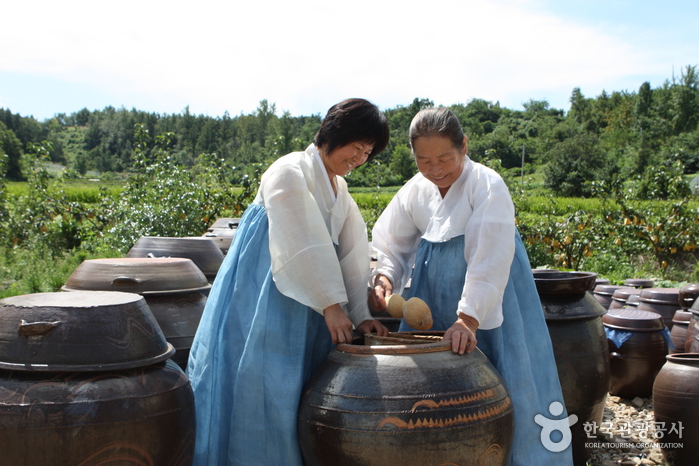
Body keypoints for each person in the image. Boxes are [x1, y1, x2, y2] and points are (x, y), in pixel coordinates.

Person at [187, 98, 390, 465]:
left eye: (367, 152)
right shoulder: (289, 169)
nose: (359, 158)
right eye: (356, 147)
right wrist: (330, 305)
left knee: (295, 390)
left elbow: (353, 255)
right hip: (266, 290)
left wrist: (359, 314)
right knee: (259, 380)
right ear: (333, 134)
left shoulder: (338, 190)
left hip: (310, 296)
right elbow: (301, 240)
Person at [369, 107, 573, 465]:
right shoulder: (417, 190)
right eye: (423, 160)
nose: (434, 169)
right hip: (432, 300)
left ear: (464, 145)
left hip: (490, 300)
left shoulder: (487, 184)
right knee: (428, 395)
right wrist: (385, 276)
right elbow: (391, 241)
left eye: (444, 158)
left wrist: (469, 319)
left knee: (506, 378)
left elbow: (489, 257)